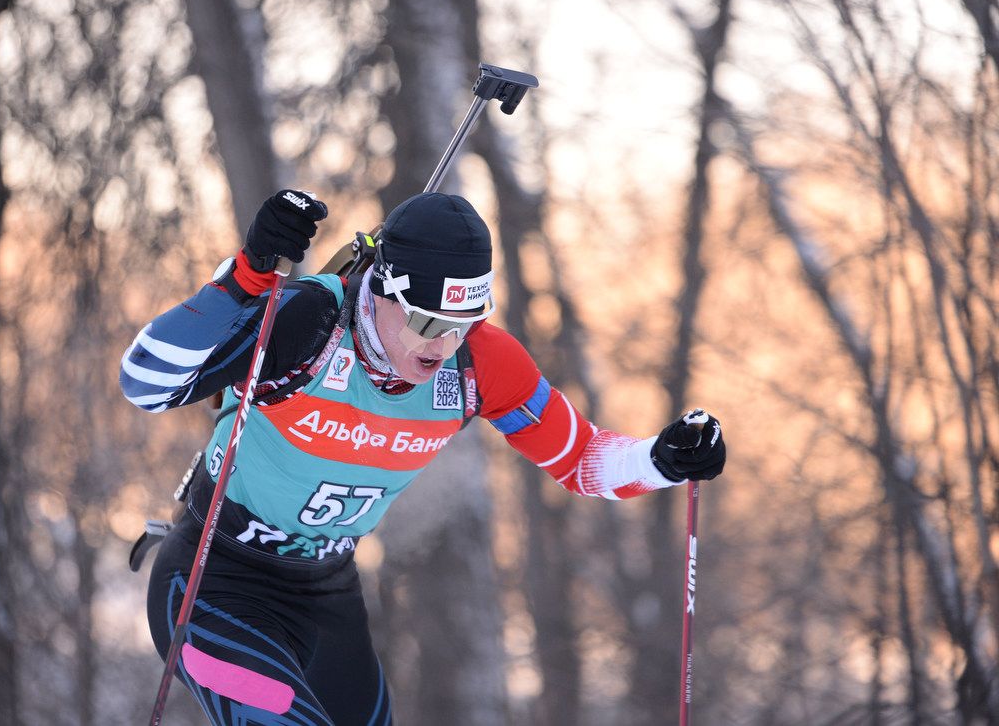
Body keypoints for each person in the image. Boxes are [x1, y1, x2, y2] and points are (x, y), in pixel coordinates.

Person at [120, 189, 726, 725]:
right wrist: (247, 280)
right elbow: (144, 383)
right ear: (382, 289)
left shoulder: (480, 363)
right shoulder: (309, 322)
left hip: (326, 595)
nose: (441, 344)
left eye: (463, 322)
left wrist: (663, 459)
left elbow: (581, 459)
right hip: (215, 583)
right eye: (426, 320)